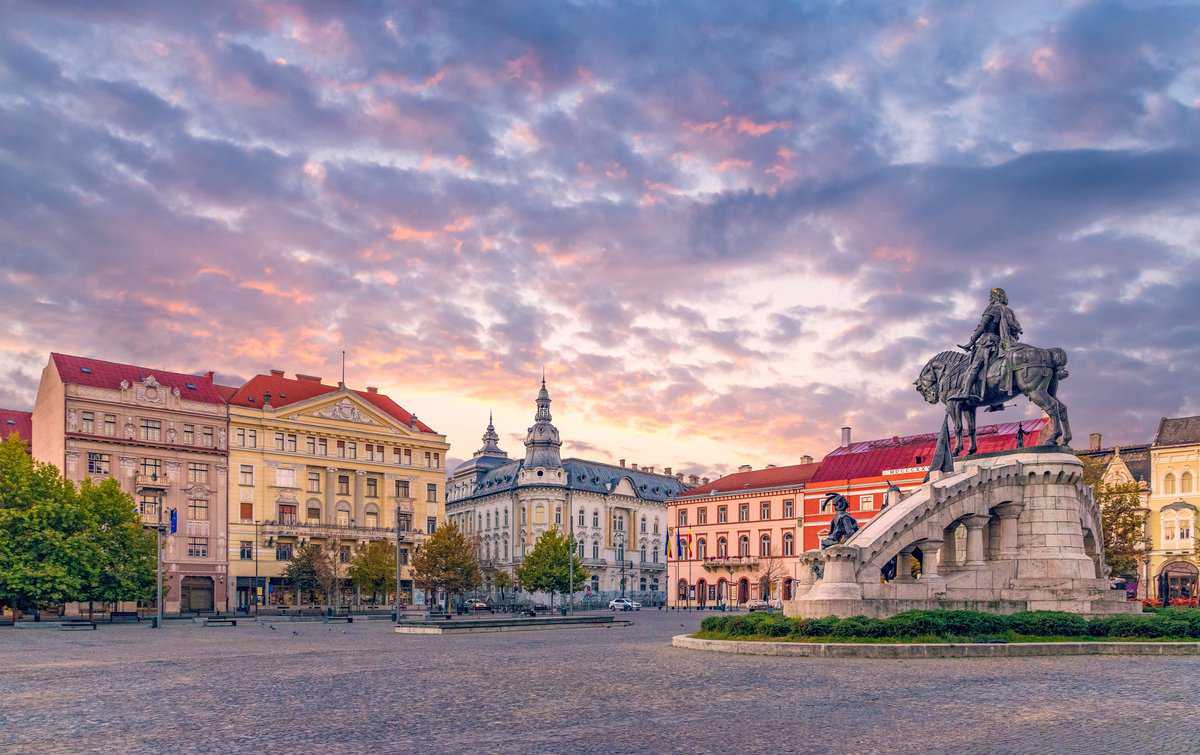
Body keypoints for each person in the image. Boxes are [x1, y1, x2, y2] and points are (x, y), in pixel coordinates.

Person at [954, 287, 1023, 401]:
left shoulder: (992, 308)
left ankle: (965, 392)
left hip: (988, 342)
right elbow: (1015, 328)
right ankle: (996, 403)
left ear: (993, 297)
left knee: (974, 367)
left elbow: (982, 326)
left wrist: (971, 342)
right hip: (1005, 343)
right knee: (995, 370)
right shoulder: (1008, 310)